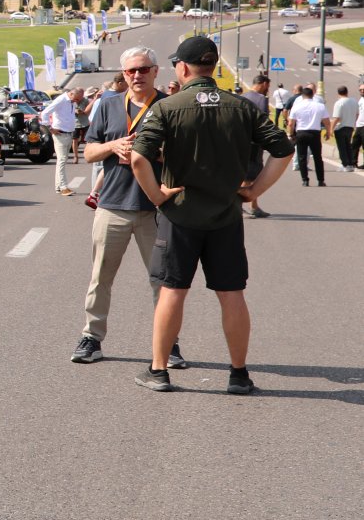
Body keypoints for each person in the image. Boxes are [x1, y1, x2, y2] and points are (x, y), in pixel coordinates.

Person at [129, 35, 294, 394]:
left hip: (179, 216)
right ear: (213, 66)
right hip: (226, 216)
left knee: (173, 291)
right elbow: (283, 149)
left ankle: (159, 371)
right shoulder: (242, 107)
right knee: (232, 293)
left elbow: (139, 157)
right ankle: (239, 374)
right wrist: (254, 191)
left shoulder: (168, 107)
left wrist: (157, 196)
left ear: (182, 68)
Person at [71, 46, 185, 368]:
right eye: (131, 70)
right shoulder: (109, 105)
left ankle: (169, 344)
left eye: (144, 69)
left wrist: (150, 154)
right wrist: (113, 145)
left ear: (156, 71)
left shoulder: (169, 106)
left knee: (163, 281)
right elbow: (90, 152)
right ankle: (92, 338)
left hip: (156, 209)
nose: (137, 75)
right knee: (100, 277)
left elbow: (184, 156)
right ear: (124, 74)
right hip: (113, 206)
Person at [38, 85, 85, 195]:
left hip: (68, 133)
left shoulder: (71, 101)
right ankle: (63, 187)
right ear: (71, 93)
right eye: (76, 99)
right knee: (62, 160)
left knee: (62, 160)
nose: (77, 101)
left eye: (79, 99)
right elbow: (45, 113)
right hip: (61, 134)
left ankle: (58, 186)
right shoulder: (61, 100)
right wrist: (50, 128)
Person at [285, 83, 331, 187]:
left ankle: (305, 180)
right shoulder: (320, 106)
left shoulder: (297, 106)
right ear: (313, 95)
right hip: (315, 133)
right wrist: (328, 132)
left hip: (301, 133)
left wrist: (291, 134)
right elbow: (327, 122)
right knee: (318, 157)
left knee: (302, 157)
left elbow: (291, 123)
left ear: (302, 96)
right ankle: (320, 180)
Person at [239, 75, 272, 217]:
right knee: (251, 176)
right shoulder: (261, 99)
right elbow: (263, 123)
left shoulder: (241, 97)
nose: (267, 89)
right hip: (254, 143)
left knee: (247, 174)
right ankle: (241, 205)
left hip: (241, 141)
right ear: (263, 84)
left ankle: (254, 205)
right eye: (267, 86)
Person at [330, 84, 357, 173]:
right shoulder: (353, 101)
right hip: (350, 126)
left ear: (338, 93)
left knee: (342, 147)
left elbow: (336, 118)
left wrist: (331, 129)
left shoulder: (339, 103)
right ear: (347, 92)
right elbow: (357, 114)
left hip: (341, 127)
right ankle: (350, 164)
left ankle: (345, 164)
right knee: (348, 146)